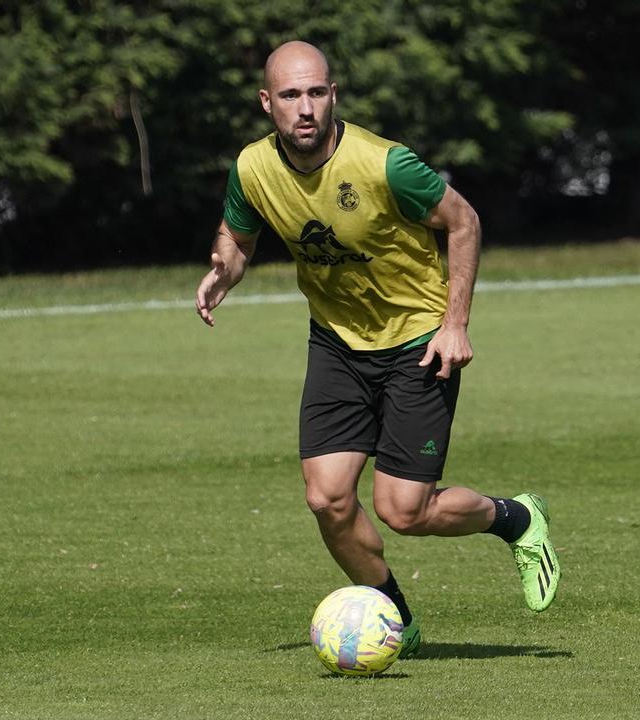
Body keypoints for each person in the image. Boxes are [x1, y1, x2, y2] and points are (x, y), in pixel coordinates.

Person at [195, 40, 560, 656]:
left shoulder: (385, 164)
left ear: (333, 95)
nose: (305, 107)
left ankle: (516, 518)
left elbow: (463, 221)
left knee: (403, 510)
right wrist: (224, 268)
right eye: (290, 95)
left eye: (316, 92)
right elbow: (239, 230)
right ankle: (397, 620)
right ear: (267, 103)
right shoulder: (252, 168)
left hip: (418, 340)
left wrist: (456, 322)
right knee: (327, 499)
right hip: (337, 343)